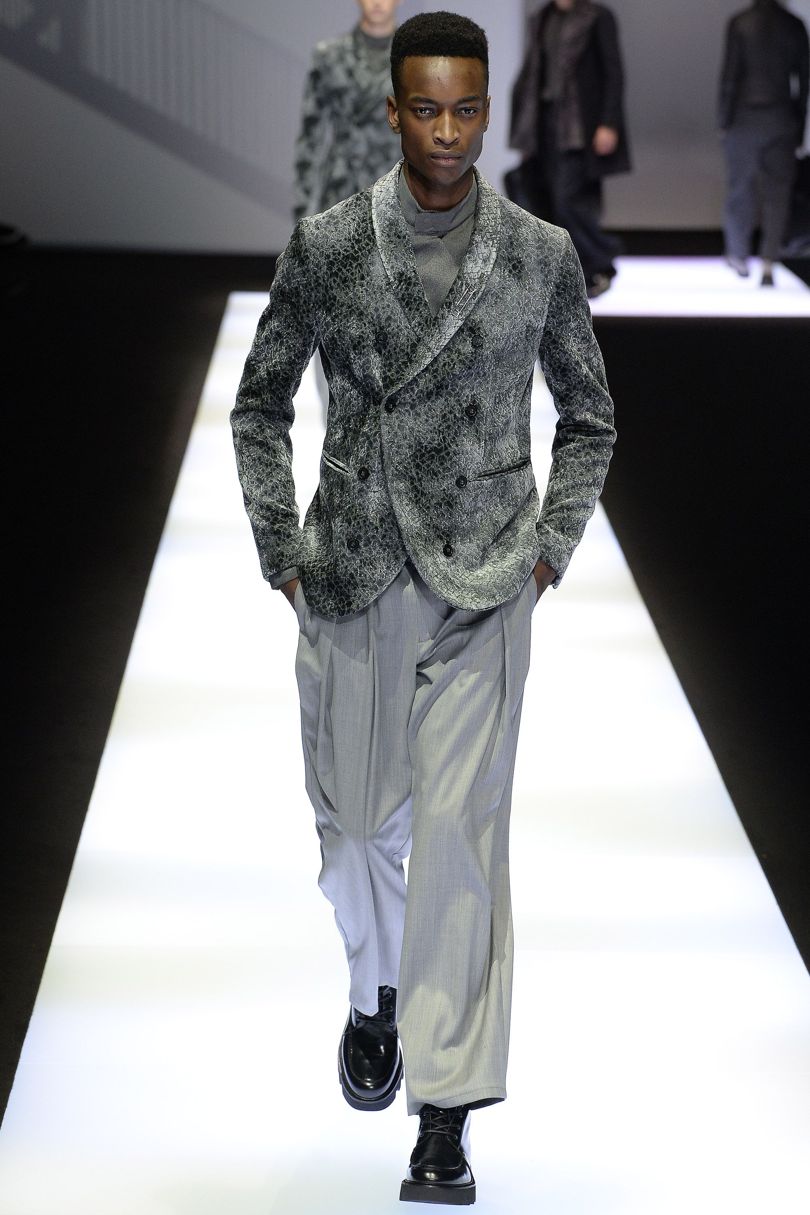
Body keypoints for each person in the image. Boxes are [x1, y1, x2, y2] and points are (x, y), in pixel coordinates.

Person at [232, 11, 615, 1205]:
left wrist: (548, 554)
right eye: (426, 110)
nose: (447, 132)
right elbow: (260, 404)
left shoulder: (539, 254)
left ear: (487, 111)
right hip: (352, 574)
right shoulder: (329, 246)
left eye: (466, 110)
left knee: (459, 844)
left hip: (485, 584)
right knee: (355, 832)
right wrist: (282, 549)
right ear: (393, 110)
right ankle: (375, 994)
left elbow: (589, 416)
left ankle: (444, 1113)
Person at [508, 0, 630, 299]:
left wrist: (609, 122)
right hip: (544, 124)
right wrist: (524, 132)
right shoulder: (542, 18)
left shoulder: (597, 17)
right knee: (545, 200)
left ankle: (599, 263)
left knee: (571, 201)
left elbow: (613, 72)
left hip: (580, 128)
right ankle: (569, 275)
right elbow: (532, 73)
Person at [719, 0, 809, 286]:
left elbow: (730, 75)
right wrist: (799, 125)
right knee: (777, 194)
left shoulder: (740, 22)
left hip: (744, 116)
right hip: (782, 117)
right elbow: (804, 81)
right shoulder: (793, 25)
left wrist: (724, 120)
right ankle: (769, 260)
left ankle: (738, 254)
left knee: (741, 188)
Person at [293, 0, 403, 221]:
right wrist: (303, 212)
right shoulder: (329, 55)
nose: (377, 2)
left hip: (396, 190)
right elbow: (311, 137)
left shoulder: (414, 58)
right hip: (340, 188)